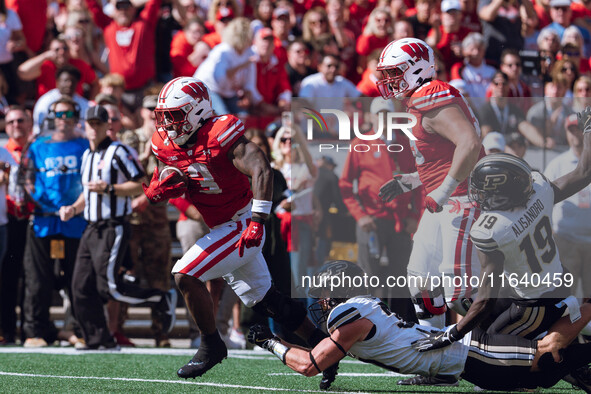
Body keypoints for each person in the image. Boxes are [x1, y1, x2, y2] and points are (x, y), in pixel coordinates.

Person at [144, 76, 337, 389]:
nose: (168, 123)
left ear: (197, 111)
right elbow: (169, 171)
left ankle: (211, 344)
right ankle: (324, 346)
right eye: (163, 116)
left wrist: (259, 219)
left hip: (242, 221)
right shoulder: (164, 143)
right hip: (221, 225)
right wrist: (160, 185)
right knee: (266, 301)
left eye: (175, 115)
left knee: (184, 274)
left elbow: (261, 166)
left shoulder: (220, 134)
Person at [249, 260, 591, 392]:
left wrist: (270, 342)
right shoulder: (360, 309)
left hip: (472, 353)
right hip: (468, 361)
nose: (322, 302)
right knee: (544, 374)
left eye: (324, 295)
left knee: (548, 359)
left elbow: (313, 363)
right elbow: (324, 350)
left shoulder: (351, 314)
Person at [375, 38, 484, 339]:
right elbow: (442, 158)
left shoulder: (430, 94)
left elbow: (470, 144)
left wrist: (444, 189)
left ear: (418, 68)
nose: (389, 80)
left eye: (395, 72)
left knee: (460, 294)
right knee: (421, 278)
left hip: (462, 198)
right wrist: (410, 181)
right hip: (446, 200)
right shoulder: (421, 98)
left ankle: (512, 352)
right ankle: (438, 362)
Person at [59, 105, 176, 350]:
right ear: (84, 125)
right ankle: (98, 339)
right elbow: (88, 194)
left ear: (107, 126)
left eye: (99, 123)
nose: (94, 128)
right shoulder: (86, 156)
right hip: (91, 227)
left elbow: (141, 182)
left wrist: (110, 189)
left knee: (108, 285)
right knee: (79, 286)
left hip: (114, 226)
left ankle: (159, 296)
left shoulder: (118, 151)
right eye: (90, 123)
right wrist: (73, 208)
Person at [339, 97, 420, 321]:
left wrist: (415, 216)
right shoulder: (360, 144)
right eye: (379, 114)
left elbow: (419, 183)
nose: (383, 119)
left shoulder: (406, 144)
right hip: (371, 221)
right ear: (371, 117)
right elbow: (346, 185)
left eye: (387, 114)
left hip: (401, 221)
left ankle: (401, 327)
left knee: (401, 277)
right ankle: (368, 327)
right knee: (369, 277)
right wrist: (360, 215)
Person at [21, 96, 87, 348]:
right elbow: (27, 181)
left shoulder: (84, 145)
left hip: (75, 222)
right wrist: (49, 207)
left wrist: (72, 208)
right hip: (43, 223)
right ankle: (36, 331)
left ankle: (79, 330)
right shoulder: (38, 146)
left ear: (76, 117)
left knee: (76, 280)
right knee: (38, 280)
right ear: (52, 117)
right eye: (59, 115)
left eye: (69, 115)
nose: (64, 120)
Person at [544, 113, 591, 299]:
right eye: (571, 130)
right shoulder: (557, 164)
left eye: (579, 129)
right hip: (566, 241)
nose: (576, 134)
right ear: (566, 133)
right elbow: (543, 200)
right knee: (565, 298)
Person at [1, 105, 33, 345]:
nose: (16, 125)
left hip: (34, 219)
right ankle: (8, 329)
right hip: (9, 220)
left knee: (33, 277)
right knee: (8, 277)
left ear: (29, 123)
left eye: (20, 121)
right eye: (11, 122)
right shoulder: (3, 153)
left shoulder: (37, 150)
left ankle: (32, 330)